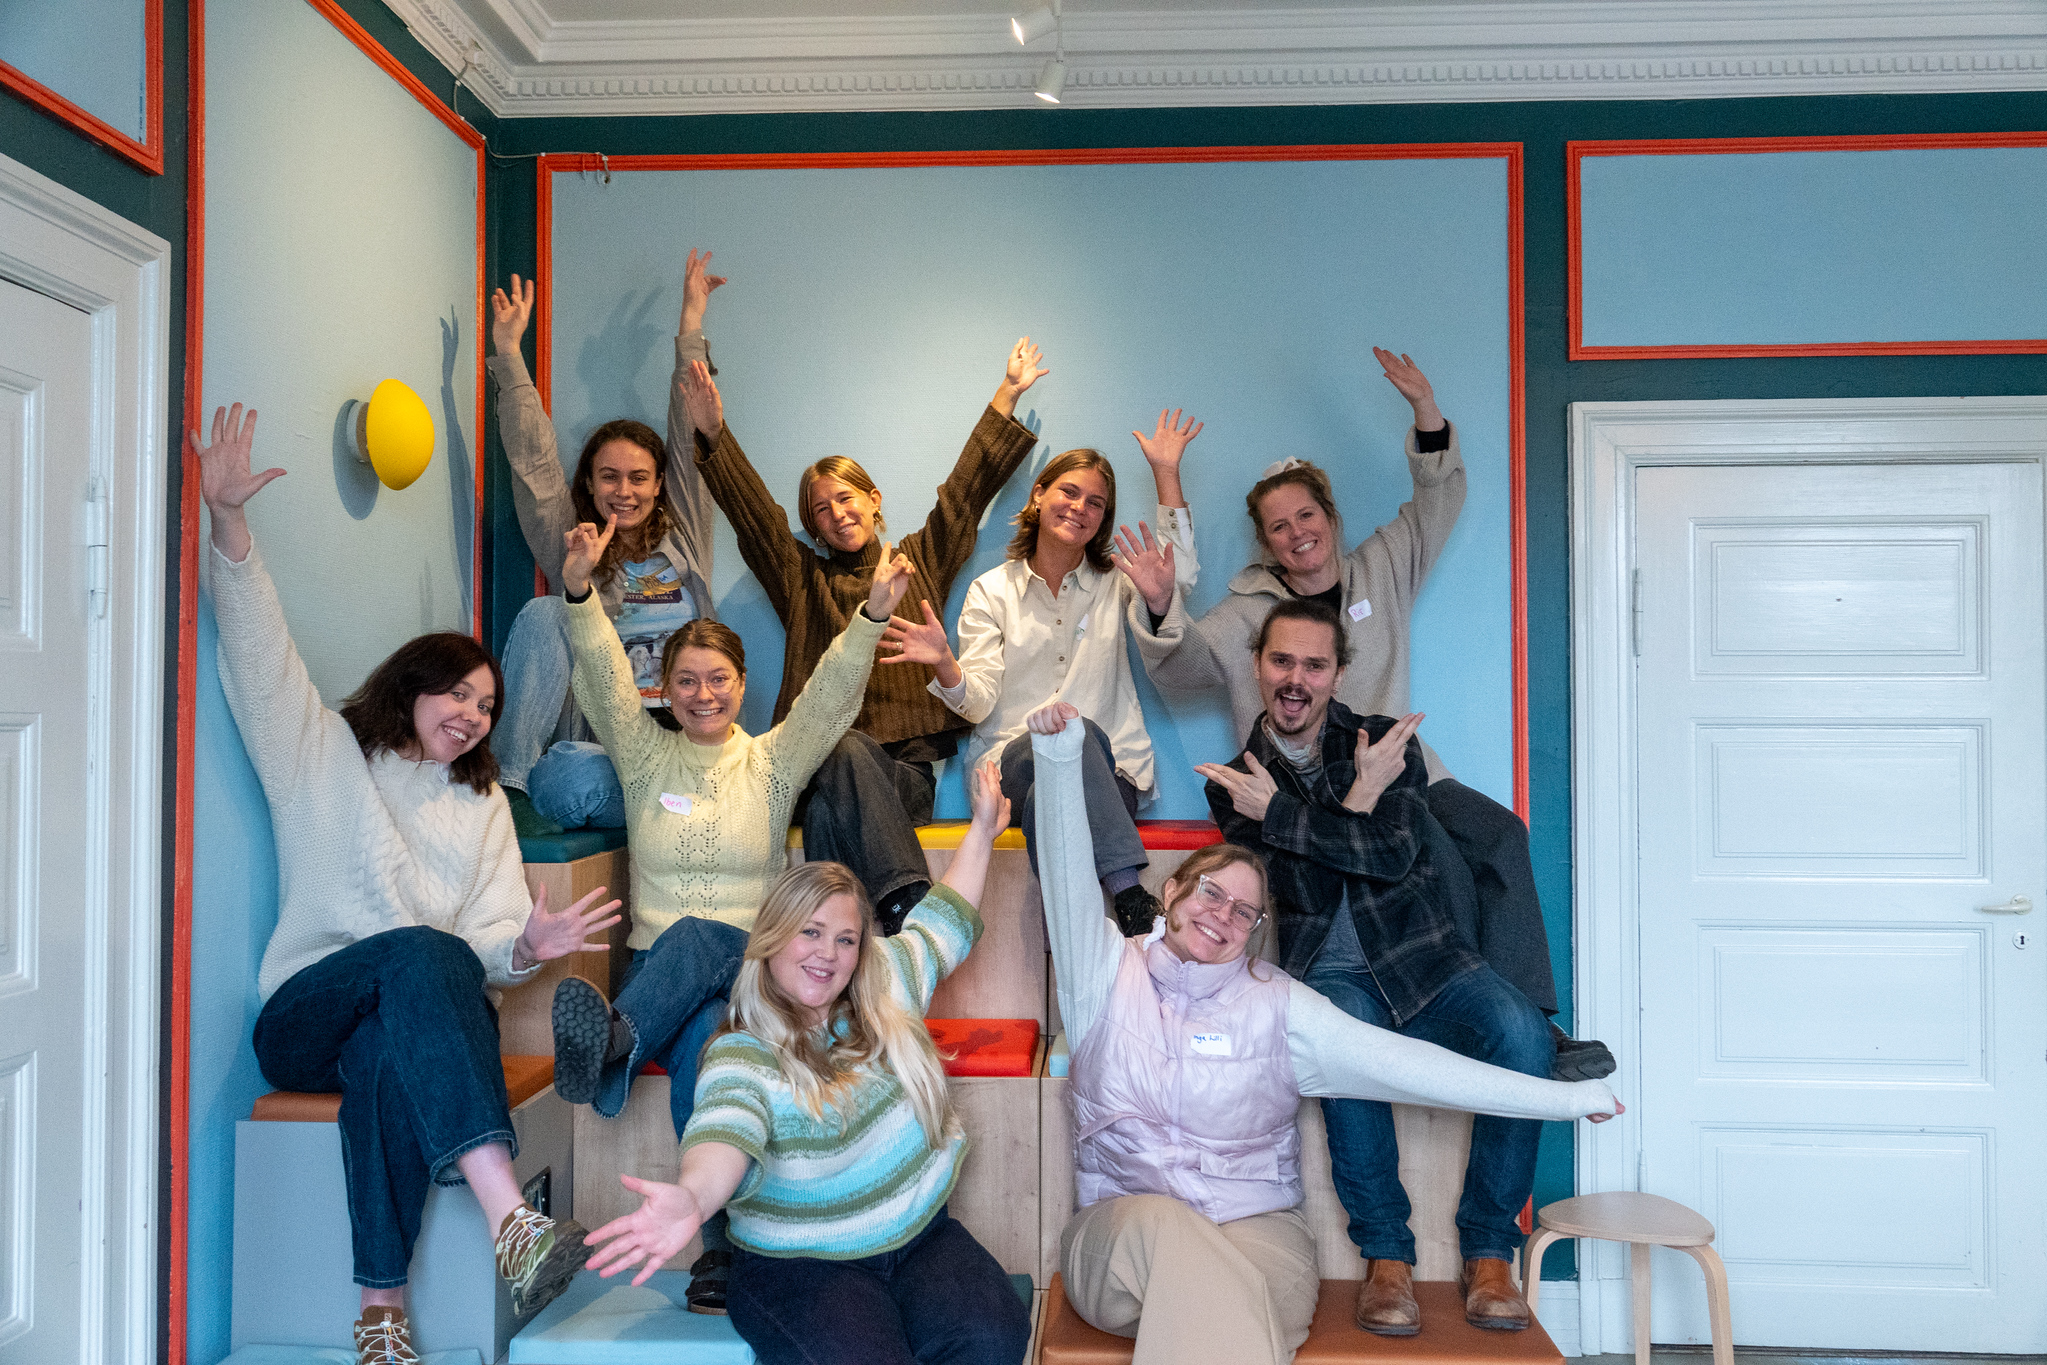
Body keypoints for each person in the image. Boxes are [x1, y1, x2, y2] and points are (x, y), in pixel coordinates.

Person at [193, 404, 623, 1365]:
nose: (473, 714)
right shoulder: (323, 753)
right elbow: (261, 661)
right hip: (304, 1013)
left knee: (395, 1043)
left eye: (488, 705)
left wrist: (524, 946)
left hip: (402, 1022)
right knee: (422, 958)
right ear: (412, 686)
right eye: (458, 692)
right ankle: (510, 1219)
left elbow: (492, 942)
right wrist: (227, 520)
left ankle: (380, 1316)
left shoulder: (482, 806)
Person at [1023, 699, 1620, 1363]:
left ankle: (1480, 1252)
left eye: (1244, 911)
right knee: (1167, 1234)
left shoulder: (1279, 1003)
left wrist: (1565, 1099)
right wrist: (1056, 759)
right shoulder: (1103, 973)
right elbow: (1067, 884)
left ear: (1257, 930)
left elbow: (1410, 1069)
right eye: (1210, 893)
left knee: (1243, 1304)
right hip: (1124, 1233)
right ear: (1171, 894)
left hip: (1256, 1229)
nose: (1223, 916)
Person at [1127, 349, 1611, 1078]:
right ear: (1266, 543)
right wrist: (1164, 605)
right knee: (1424, 855)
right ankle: (1473, 1018)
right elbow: (1187, 666)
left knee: (1499, 836)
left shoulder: (1380, 567)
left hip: (1402, 769)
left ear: (1329, 517)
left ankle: (1532, 1023)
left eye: (1306, 514)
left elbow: (1436, 504)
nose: (1296, 532)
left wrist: (1425, 411)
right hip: (1306, 793)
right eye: (1278, 526)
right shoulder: (1249, 613)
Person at [548, 507, 916, 1313]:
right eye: (685, 680)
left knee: (710, 968)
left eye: (717, 678)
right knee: (708, 1045)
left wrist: (872, 614)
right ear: (666, 690)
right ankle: (719, 1248)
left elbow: (827, 699)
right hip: (663, 972)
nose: (702, 693)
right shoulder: (644, 755)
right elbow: (604, 678)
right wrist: (578, 592)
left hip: (752, 967)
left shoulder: (773, 764)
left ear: (741, 686)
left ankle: (616, 1040)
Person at [1197, 597, 1570, 1335]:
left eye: (1313, 665)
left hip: (1424, 956)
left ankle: (1489, 1250)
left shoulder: (1384, 743)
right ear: (1258, 666)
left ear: (1337, 674)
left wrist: (1293, 814)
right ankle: (1387, 1256)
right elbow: (1296, 887)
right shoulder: (1234, 780)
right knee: (1343, 1041)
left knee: (1524, 1036)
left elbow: (1394, 854)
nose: (1295, 679)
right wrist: (1354, 805)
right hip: (1329, 972)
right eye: (1281, 661)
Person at [579, 763, 1032, 1365]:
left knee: (993, 1337)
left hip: (918, 1236)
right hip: (801, 1265)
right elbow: (723, 1132)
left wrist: (981, 829)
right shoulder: (742, 1053)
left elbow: (944, 918)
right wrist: (693, 1198)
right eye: (810, 933)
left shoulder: (884, 985)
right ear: (771, 938)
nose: (828, 954)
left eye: (845, 939)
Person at [674, 284, 1047, 931]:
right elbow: (755, 517)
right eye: (820, 509)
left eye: (846, 498)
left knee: (834, 784)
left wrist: (1007, 394)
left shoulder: (915, 561)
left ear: (873, 500)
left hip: (901, 776)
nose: (836, 513)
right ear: (814, 527)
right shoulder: (801, 577)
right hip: (811, 765)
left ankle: (859, 934)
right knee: (830, 769)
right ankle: (907, 918)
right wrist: (713, 432)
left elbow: (965, 493)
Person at [885, 416, 1203, 935]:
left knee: (1068, 756)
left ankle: (1066, 939)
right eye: (1069, 492)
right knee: (1057, 739)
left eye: (1095, 503)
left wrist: (1166, 474)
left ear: (1102, 519)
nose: (1080, 508)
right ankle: (1129, 895)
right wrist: (945, 663)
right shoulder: (991, 591)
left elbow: (1178, 578)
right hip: (1011, 765)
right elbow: (978, 702)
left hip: (1109, 773)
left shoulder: (1116, 582)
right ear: (1038, 495)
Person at [485, 250, 723, 831]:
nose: (624, 491)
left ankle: (680, 809)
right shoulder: (576, 544)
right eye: (609, 477)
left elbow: (688, 433)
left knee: (671, 788)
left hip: (680, 746)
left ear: (659, 484)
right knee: (548, 618)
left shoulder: (686, 537)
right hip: (609, 749)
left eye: (639, 477)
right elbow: (535, 466)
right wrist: (510, 358)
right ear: (589, 486)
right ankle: (506, 797)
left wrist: (691, 326)